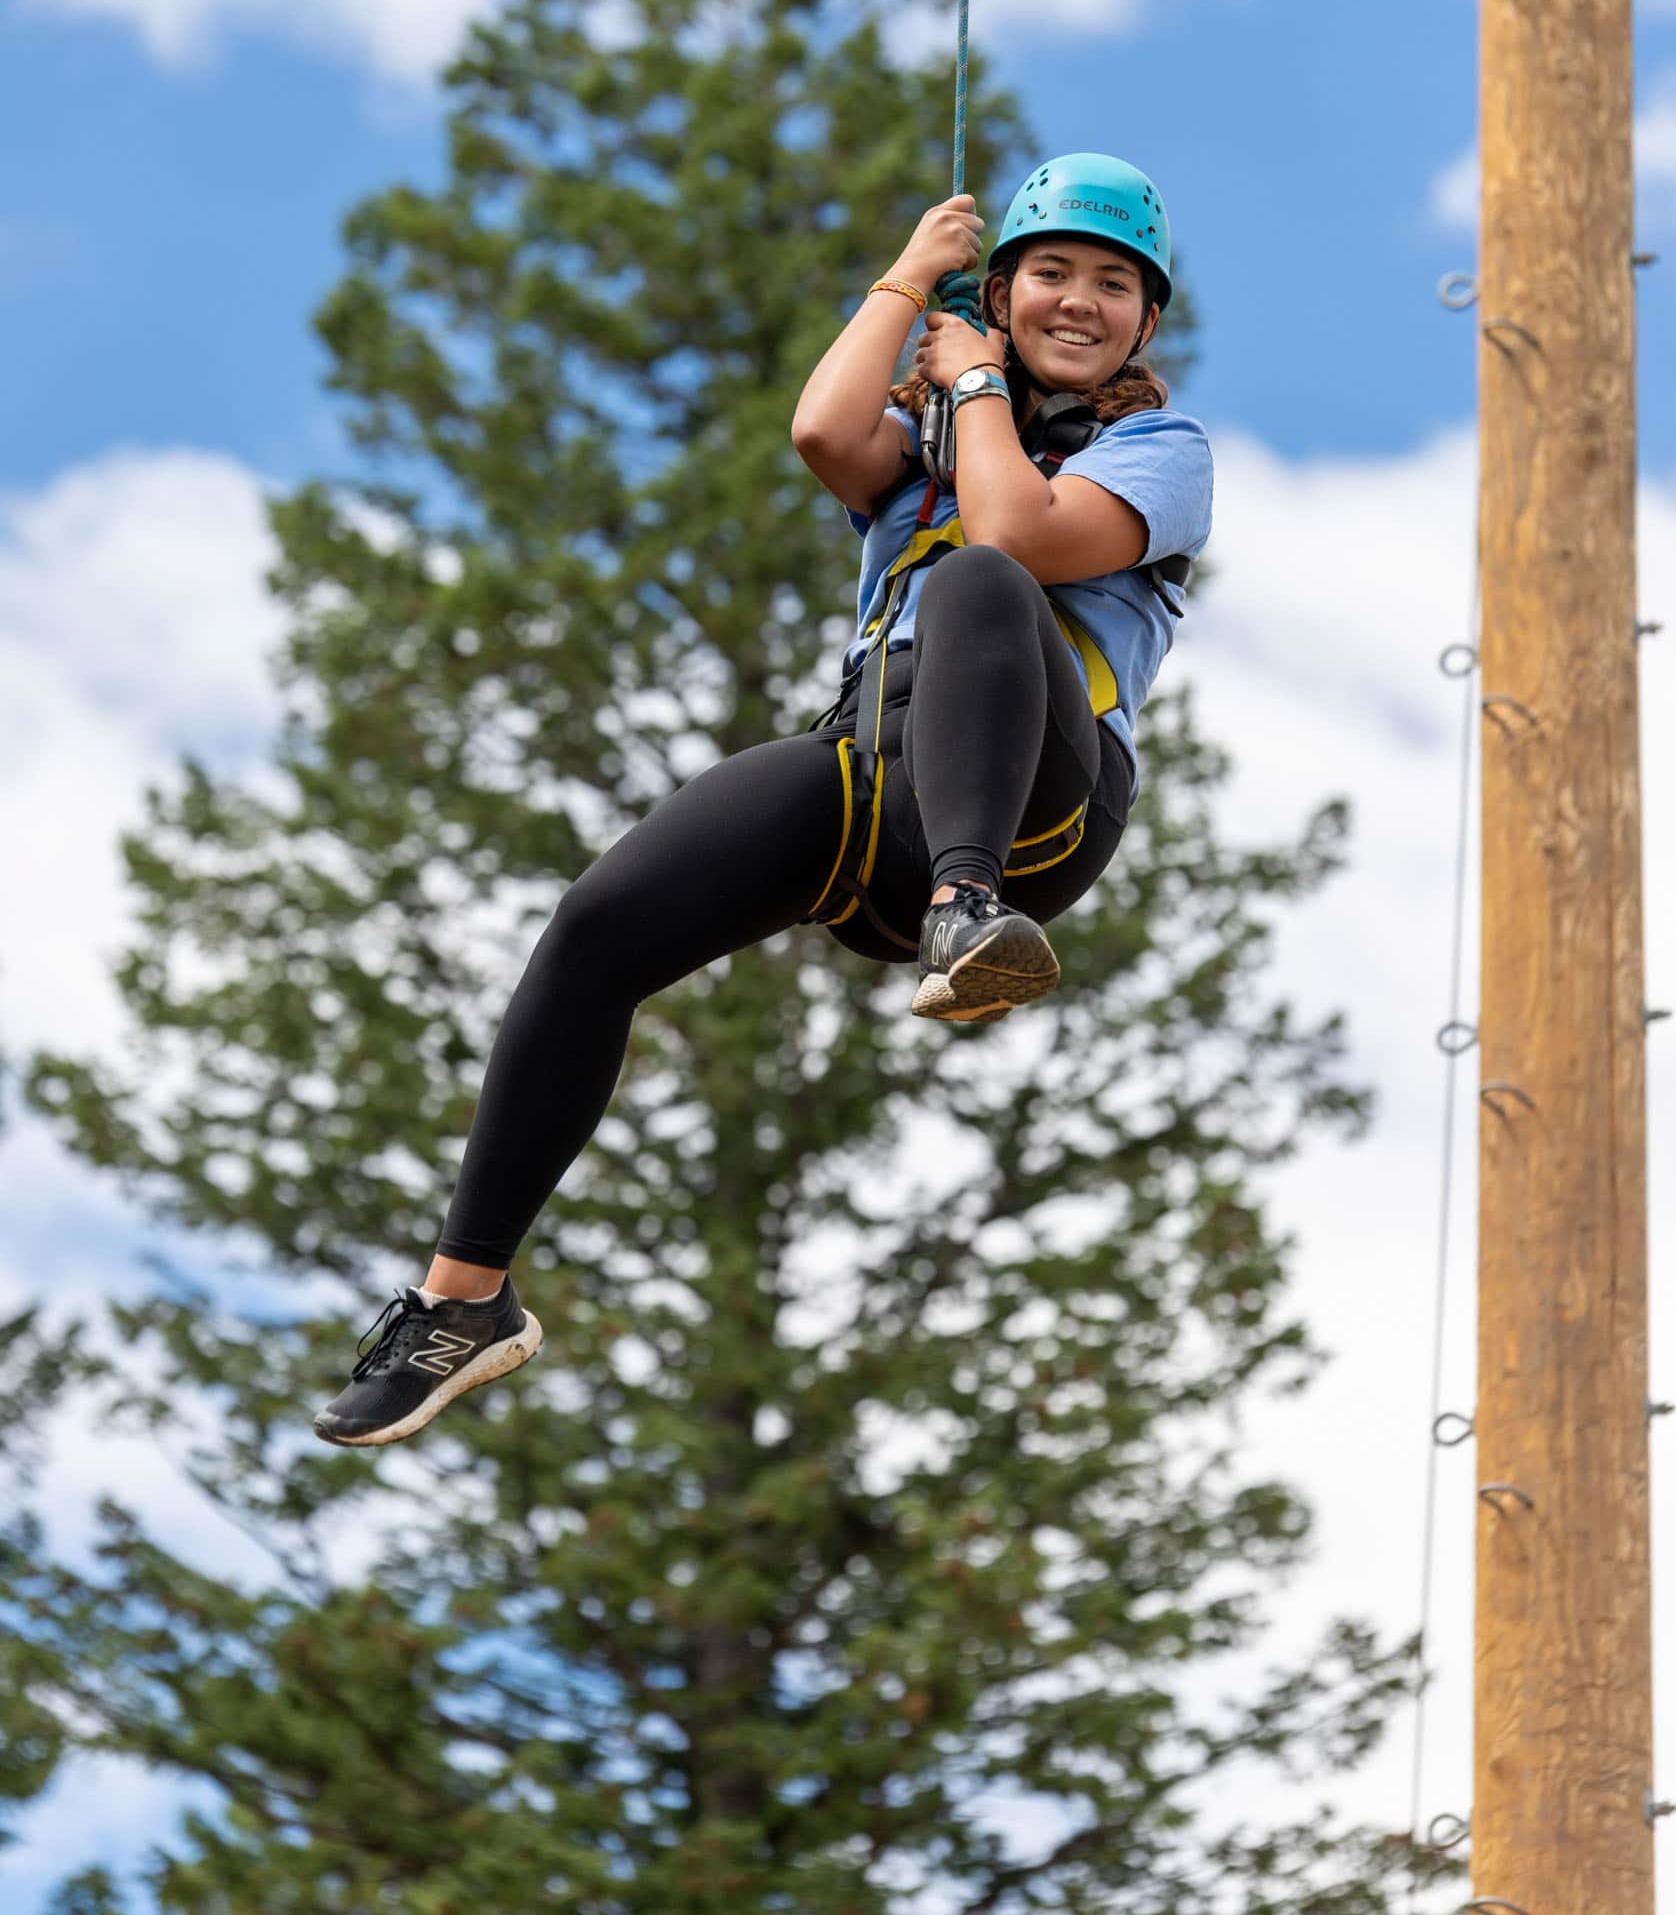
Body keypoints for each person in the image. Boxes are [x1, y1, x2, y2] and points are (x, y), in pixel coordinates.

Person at [314, 152, 1214, 1448]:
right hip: (876, 781)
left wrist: (972, 382)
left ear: (1145, 319)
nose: (1080, 301)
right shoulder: (928, 446)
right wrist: (909, 278)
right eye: (1052, 274)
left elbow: (1016, 533)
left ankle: (967, 910)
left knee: (978, 579)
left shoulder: (1159, 451)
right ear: (1002, 291)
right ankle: (464, 1300)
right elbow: (824, 433)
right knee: (598, 930)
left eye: (1113, 286)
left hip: (1036, 812)